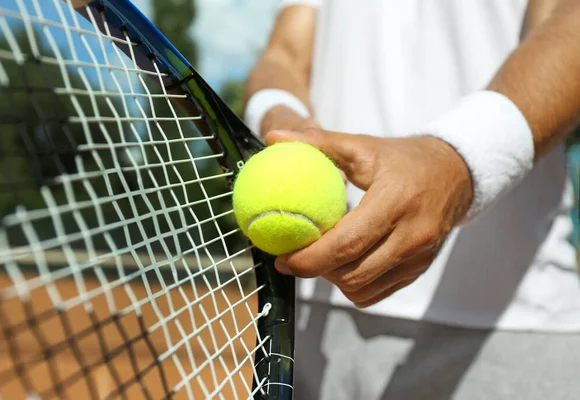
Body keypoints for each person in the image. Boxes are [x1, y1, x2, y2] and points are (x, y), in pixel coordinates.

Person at [244, 1, 580, 399]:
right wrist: (283, 118)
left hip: (510, 328)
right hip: (318, 324)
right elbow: (286, 52)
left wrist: (457, 161)